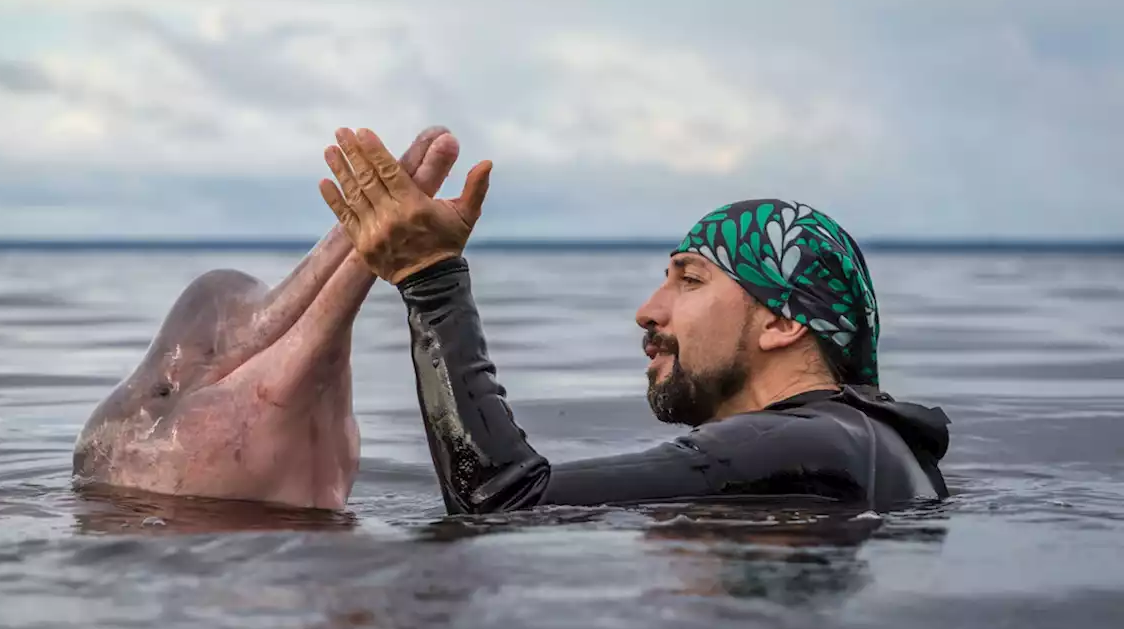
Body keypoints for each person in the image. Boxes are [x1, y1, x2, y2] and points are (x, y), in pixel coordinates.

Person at [318, 127, 951, 515]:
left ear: (783, 324)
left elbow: (502, 499)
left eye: (691, 279)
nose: (648, 310)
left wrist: (430, 280)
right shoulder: (873, 447)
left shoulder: (795, 442)